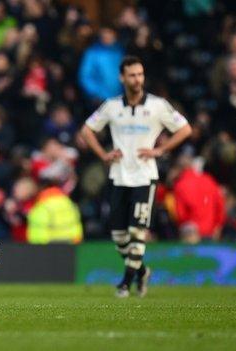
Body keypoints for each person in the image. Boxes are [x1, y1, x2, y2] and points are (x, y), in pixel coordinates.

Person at [80, 56, 191, 298]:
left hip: (144, 175)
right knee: (119, 236)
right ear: (122, 78)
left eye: (140, 74)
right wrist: (103, 154)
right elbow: (87, 130)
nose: (137, 79)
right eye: (132, 75)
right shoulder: (111, 106)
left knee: (137, 232)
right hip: (119, 175)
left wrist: (160, 150)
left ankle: (125, 283)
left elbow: (185, 128)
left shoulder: (157, 105)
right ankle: (141, 271)